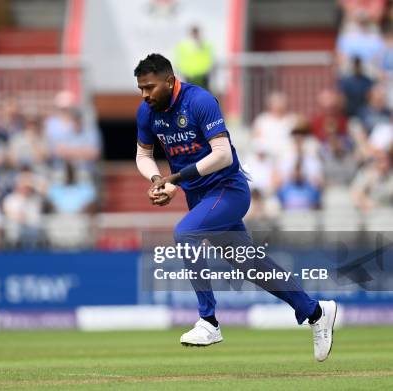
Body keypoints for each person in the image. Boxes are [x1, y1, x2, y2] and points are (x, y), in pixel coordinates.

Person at [133, 53, 336, 361]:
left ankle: (209, 321)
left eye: (149, 87)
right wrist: (158, 179)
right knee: (251, 266)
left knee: (185, 233)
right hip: (199, 197)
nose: (145, 95)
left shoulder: (199, 101)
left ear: (170, 81)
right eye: (141, 89)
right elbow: (143, 155)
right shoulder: (146, 113)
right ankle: (316, 311)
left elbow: (223, 155)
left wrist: (176, 177)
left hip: (228, 190)